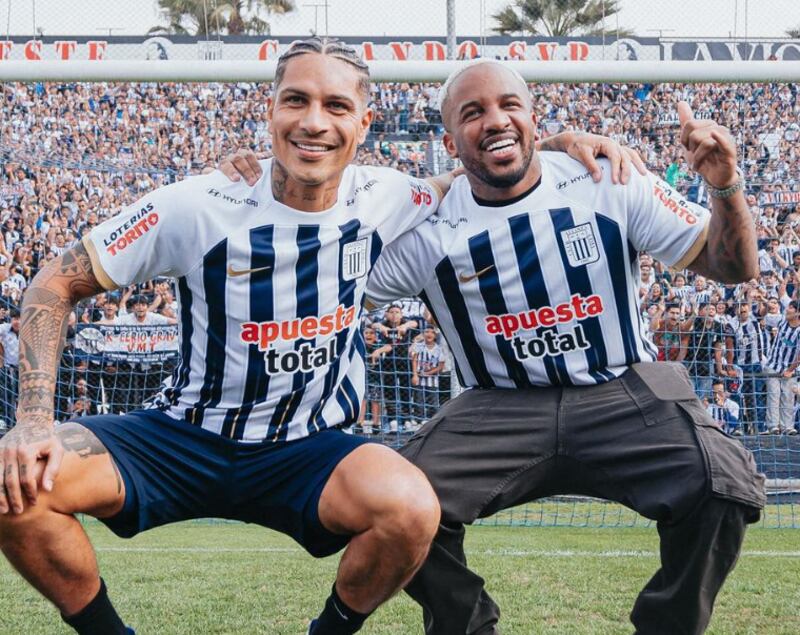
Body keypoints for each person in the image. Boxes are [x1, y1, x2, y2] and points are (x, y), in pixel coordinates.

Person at [0, 37, 446, 635]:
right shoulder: (198, 204)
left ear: (365, 123)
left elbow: (476, 176)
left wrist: (563, 147)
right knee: (17, 487)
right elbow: (52, 285)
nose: (314, 122)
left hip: (308, 449)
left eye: (336, 106)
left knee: (413, 509)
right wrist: (32, 421)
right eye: (296, 101)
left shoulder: (387, 194)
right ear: (270, 112)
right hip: (182, 437)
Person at [361, 60, 765, 634]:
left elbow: (733, 266)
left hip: (621, 390)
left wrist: (724, 185)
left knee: (723, 481)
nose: (494, 120)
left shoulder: (606, 177)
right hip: (495, 406)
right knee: (386, 505)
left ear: (533, 117)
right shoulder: (427, 227)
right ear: (450, 141)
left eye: (509, 105)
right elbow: (333, 291)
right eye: (472, 114)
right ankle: (468, 625)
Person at [763, 301, 800, 434]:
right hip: (773, 365)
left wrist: (790, 370)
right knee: (773, 395)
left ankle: (787, 427)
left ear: (798, 313)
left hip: (789, 369)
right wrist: (762, 299)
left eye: (791, 308)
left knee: (788, 396)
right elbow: (766, 312)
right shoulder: (782, 321)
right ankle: (773, 426)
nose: (787, 309)